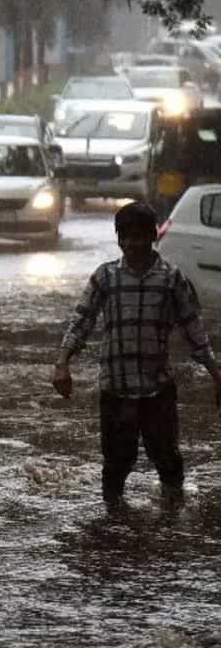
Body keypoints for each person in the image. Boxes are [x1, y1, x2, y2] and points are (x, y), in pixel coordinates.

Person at [52, 201, 220, 513]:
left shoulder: (171, 279)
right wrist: (62, 363)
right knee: (115, 464)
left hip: (157, 389)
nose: (132, 244)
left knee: (168, 460)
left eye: (139, 237)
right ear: (118, 239)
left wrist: (216, 373)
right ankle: (114, 525)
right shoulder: (105, 277)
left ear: (153, 237)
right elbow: (81, 321)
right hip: (115, 389)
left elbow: (193, 329)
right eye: (125, 237)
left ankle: (170, 523)